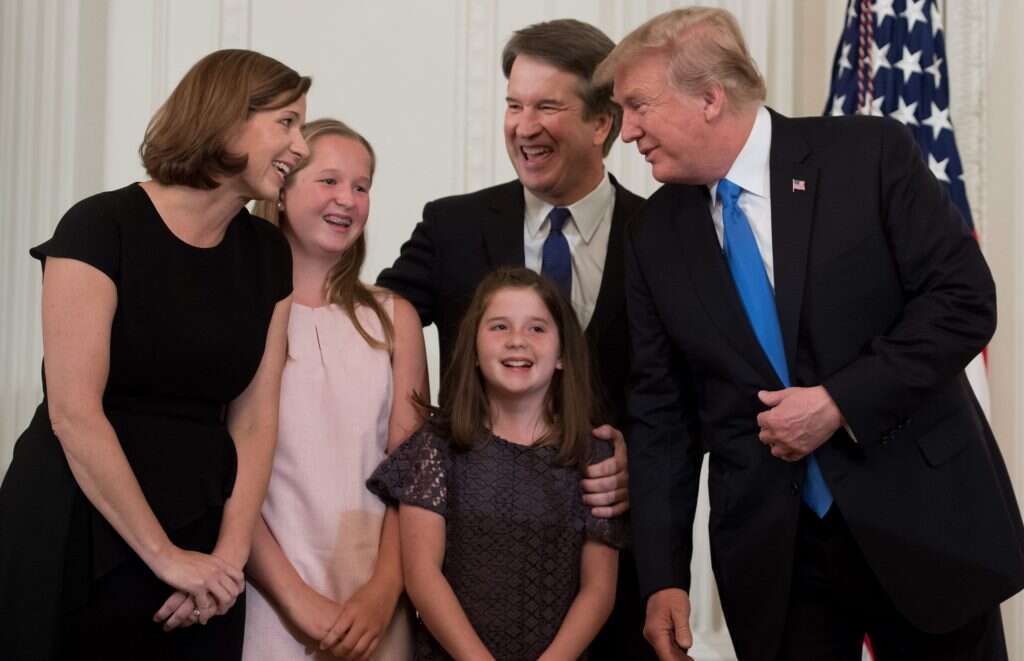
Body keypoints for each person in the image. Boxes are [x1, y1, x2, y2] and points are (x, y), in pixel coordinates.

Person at [594, 7, 1024, 661]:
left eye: (638, 106)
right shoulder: (652, 234)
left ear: (710, 97)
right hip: (777, 560)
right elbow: (661, 415)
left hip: (921, 522)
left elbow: (963, 301)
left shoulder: (868, 155)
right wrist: (663, 576)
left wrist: (838, 403)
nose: (626, 131)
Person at [0, 49, 310, 659]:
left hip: (202, 535)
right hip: (77, 526)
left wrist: (228, 559)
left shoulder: (269, 253)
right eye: (287, 122)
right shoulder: (99, 225)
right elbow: (73, 413)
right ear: (226, 118)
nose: (301, 146)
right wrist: (164, 557)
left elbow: (255, 420)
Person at [377, 19, 651, 657]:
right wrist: (413, 424)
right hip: (466, 579)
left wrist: (642, 458)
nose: (524, 127)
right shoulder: (452, 225)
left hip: (614, 573)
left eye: (547, 107)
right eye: (513, 105)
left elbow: (703, 383)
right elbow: (376, 321)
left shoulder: (661, 234)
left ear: (602, 122)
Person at [367, 267, 626, 660]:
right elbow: (423, 576)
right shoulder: (435, 448)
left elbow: (599, 590)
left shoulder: (594, 458)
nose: (517, 340)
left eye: (537, 328)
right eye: (500, 326)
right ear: (473, 349)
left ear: (562, 355)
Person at [243, 119, 426, 660]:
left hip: (374, 600)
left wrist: (383, 592)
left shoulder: (394, 319)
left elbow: (413, 475)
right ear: (280, 191)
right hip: (266, 597)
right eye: (329, 181)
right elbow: (225, 475)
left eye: (361, 186)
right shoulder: (241, 315)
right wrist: (296, 600)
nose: (347, 199)